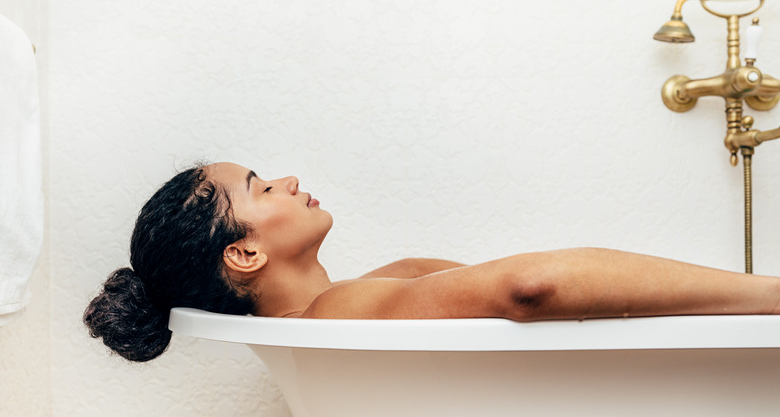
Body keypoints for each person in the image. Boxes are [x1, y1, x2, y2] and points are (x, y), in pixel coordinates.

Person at [84, 162, 780, 362]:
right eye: (262, 189)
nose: (290, 179)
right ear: (244, 252)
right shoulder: (338, 315)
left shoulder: (359, 300)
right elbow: (533, 286)